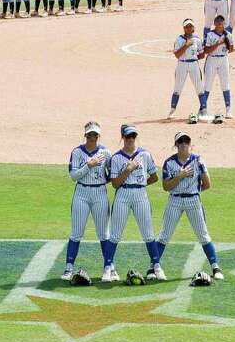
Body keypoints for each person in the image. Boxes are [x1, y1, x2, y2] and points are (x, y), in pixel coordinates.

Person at [155, 131, 223, 281]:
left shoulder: (198, 161)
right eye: (181, 141)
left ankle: (215, 267)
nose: (184, 144)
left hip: (193, 201)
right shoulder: (169, 163)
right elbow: (166, 187)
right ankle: (153, 266)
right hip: (175, 200)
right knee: (164, 235)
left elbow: (207, 184)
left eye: (186, 141)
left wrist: (193, 192)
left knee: (203, 235)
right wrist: (179, 176)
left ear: (190, 144)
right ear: (176, 145)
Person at [106, 123, 163, 281]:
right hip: (123, 194)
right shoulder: (116, 157)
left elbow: (154, 177)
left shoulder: (145, 154)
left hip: (140, 195)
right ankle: (108, 268)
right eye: (128, 136)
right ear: (122, 137)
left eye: (133, 136)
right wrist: (128, 170)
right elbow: (115, 183)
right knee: (115, 234)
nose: (131, 139)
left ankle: (157, 266)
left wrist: (141, 183)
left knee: (148, 233)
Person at [61, 121, 114, 282]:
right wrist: (88, 166)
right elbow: (73, 176)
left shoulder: (106, 152)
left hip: (99, 193)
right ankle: (69, 267)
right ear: (85, 135)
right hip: (81, 193)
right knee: (76, 232)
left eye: (95, 135)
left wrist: (102, 180)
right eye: (89, 135)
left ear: (99, 136)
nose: (92, 138)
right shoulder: (77, 152)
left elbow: (112, 174)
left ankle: (109, 267)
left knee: (104, 233)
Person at [199, 13, 234, 120]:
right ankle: (203, 109)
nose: (220, 25)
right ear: (214, 24)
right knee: (207, 85)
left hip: (223, 60)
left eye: (221, 24)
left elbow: (231, 49)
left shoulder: (228, 34)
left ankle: (228, 110)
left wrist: (228, 44)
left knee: (225, 84)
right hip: (212, 60)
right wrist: (218, 44)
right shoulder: (209, 35)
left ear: (224, 24)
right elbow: (206, 50)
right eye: (218, 24)